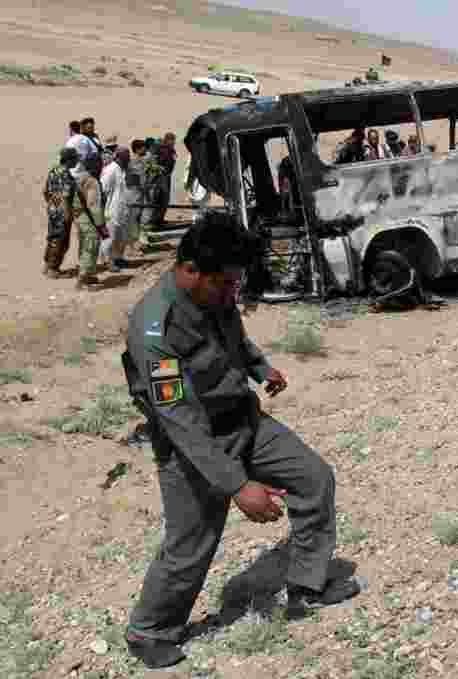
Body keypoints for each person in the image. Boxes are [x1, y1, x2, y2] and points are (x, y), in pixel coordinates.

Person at [120, 215, 360, 669]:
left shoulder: (217, 290)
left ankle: (307, 586)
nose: (234, 294)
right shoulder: (154, 329)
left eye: (237, 283)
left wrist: (259, 368)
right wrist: (237, 486)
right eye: (226, 284)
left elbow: (233, 338)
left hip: (243, 420)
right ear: (189, 270)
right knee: (192, 541)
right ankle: (149, 630)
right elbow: (181, 421)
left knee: (313, 479)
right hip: (193, 443)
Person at [69, 154, 109, 289]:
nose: (102, 166)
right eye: (100, 164)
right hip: (88, 217)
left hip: (78, 216)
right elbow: (93, 206)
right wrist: (101, 225)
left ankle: (89, 273)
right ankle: (83, 279)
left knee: (84, 244)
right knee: (90, 245)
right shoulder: (92, 181)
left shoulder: (79, 177)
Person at [42, 147, 80, 278]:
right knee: (61, 240)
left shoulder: (54, 170)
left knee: (52, 237)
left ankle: (47, 265)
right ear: (69, 160)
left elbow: (45, 191)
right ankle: (53, 269)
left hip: (53, 209)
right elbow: (65, 197)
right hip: (62, 212)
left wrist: (52, 204)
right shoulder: (65, 174)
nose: (77, 161)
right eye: (75, 158)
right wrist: (67, 213)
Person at [100, 147, 132, 272]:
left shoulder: (122, 169)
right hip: (111, 209)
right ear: (118, 157)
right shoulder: (111, 170)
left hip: (122, 209)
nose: (128, 159)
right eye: (126, 157)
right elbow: (103, 189)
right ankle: (108, 261)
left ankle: (118, 258)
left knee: (121, 236)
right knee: (110, 237)